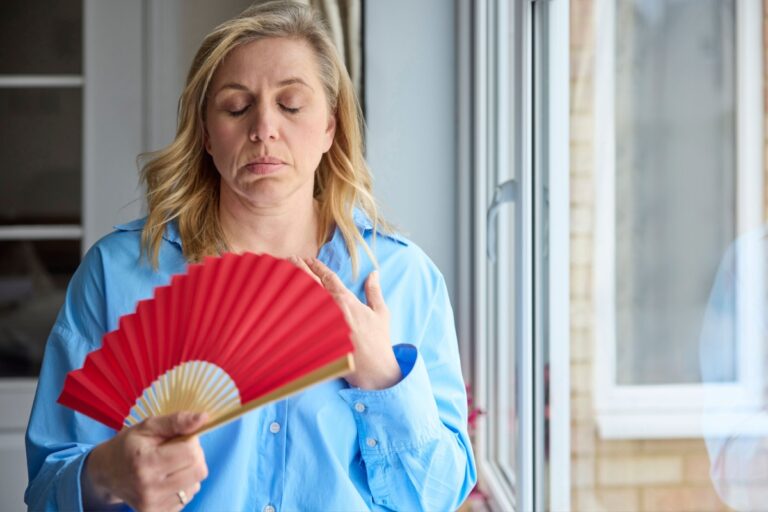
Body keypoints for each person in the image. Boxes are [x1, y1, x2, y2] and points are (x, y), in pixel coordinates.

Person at [24, 1, 477, 511]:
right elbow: (45, 492)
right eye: (236, 107)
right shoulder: (115, 277)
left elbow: (439, 497)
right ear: (205, 134)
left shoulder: (406, 279)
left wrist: (385, 382)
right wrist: (104, 475)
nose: (264, 128)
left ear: (330, 126)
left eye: (291, 104)